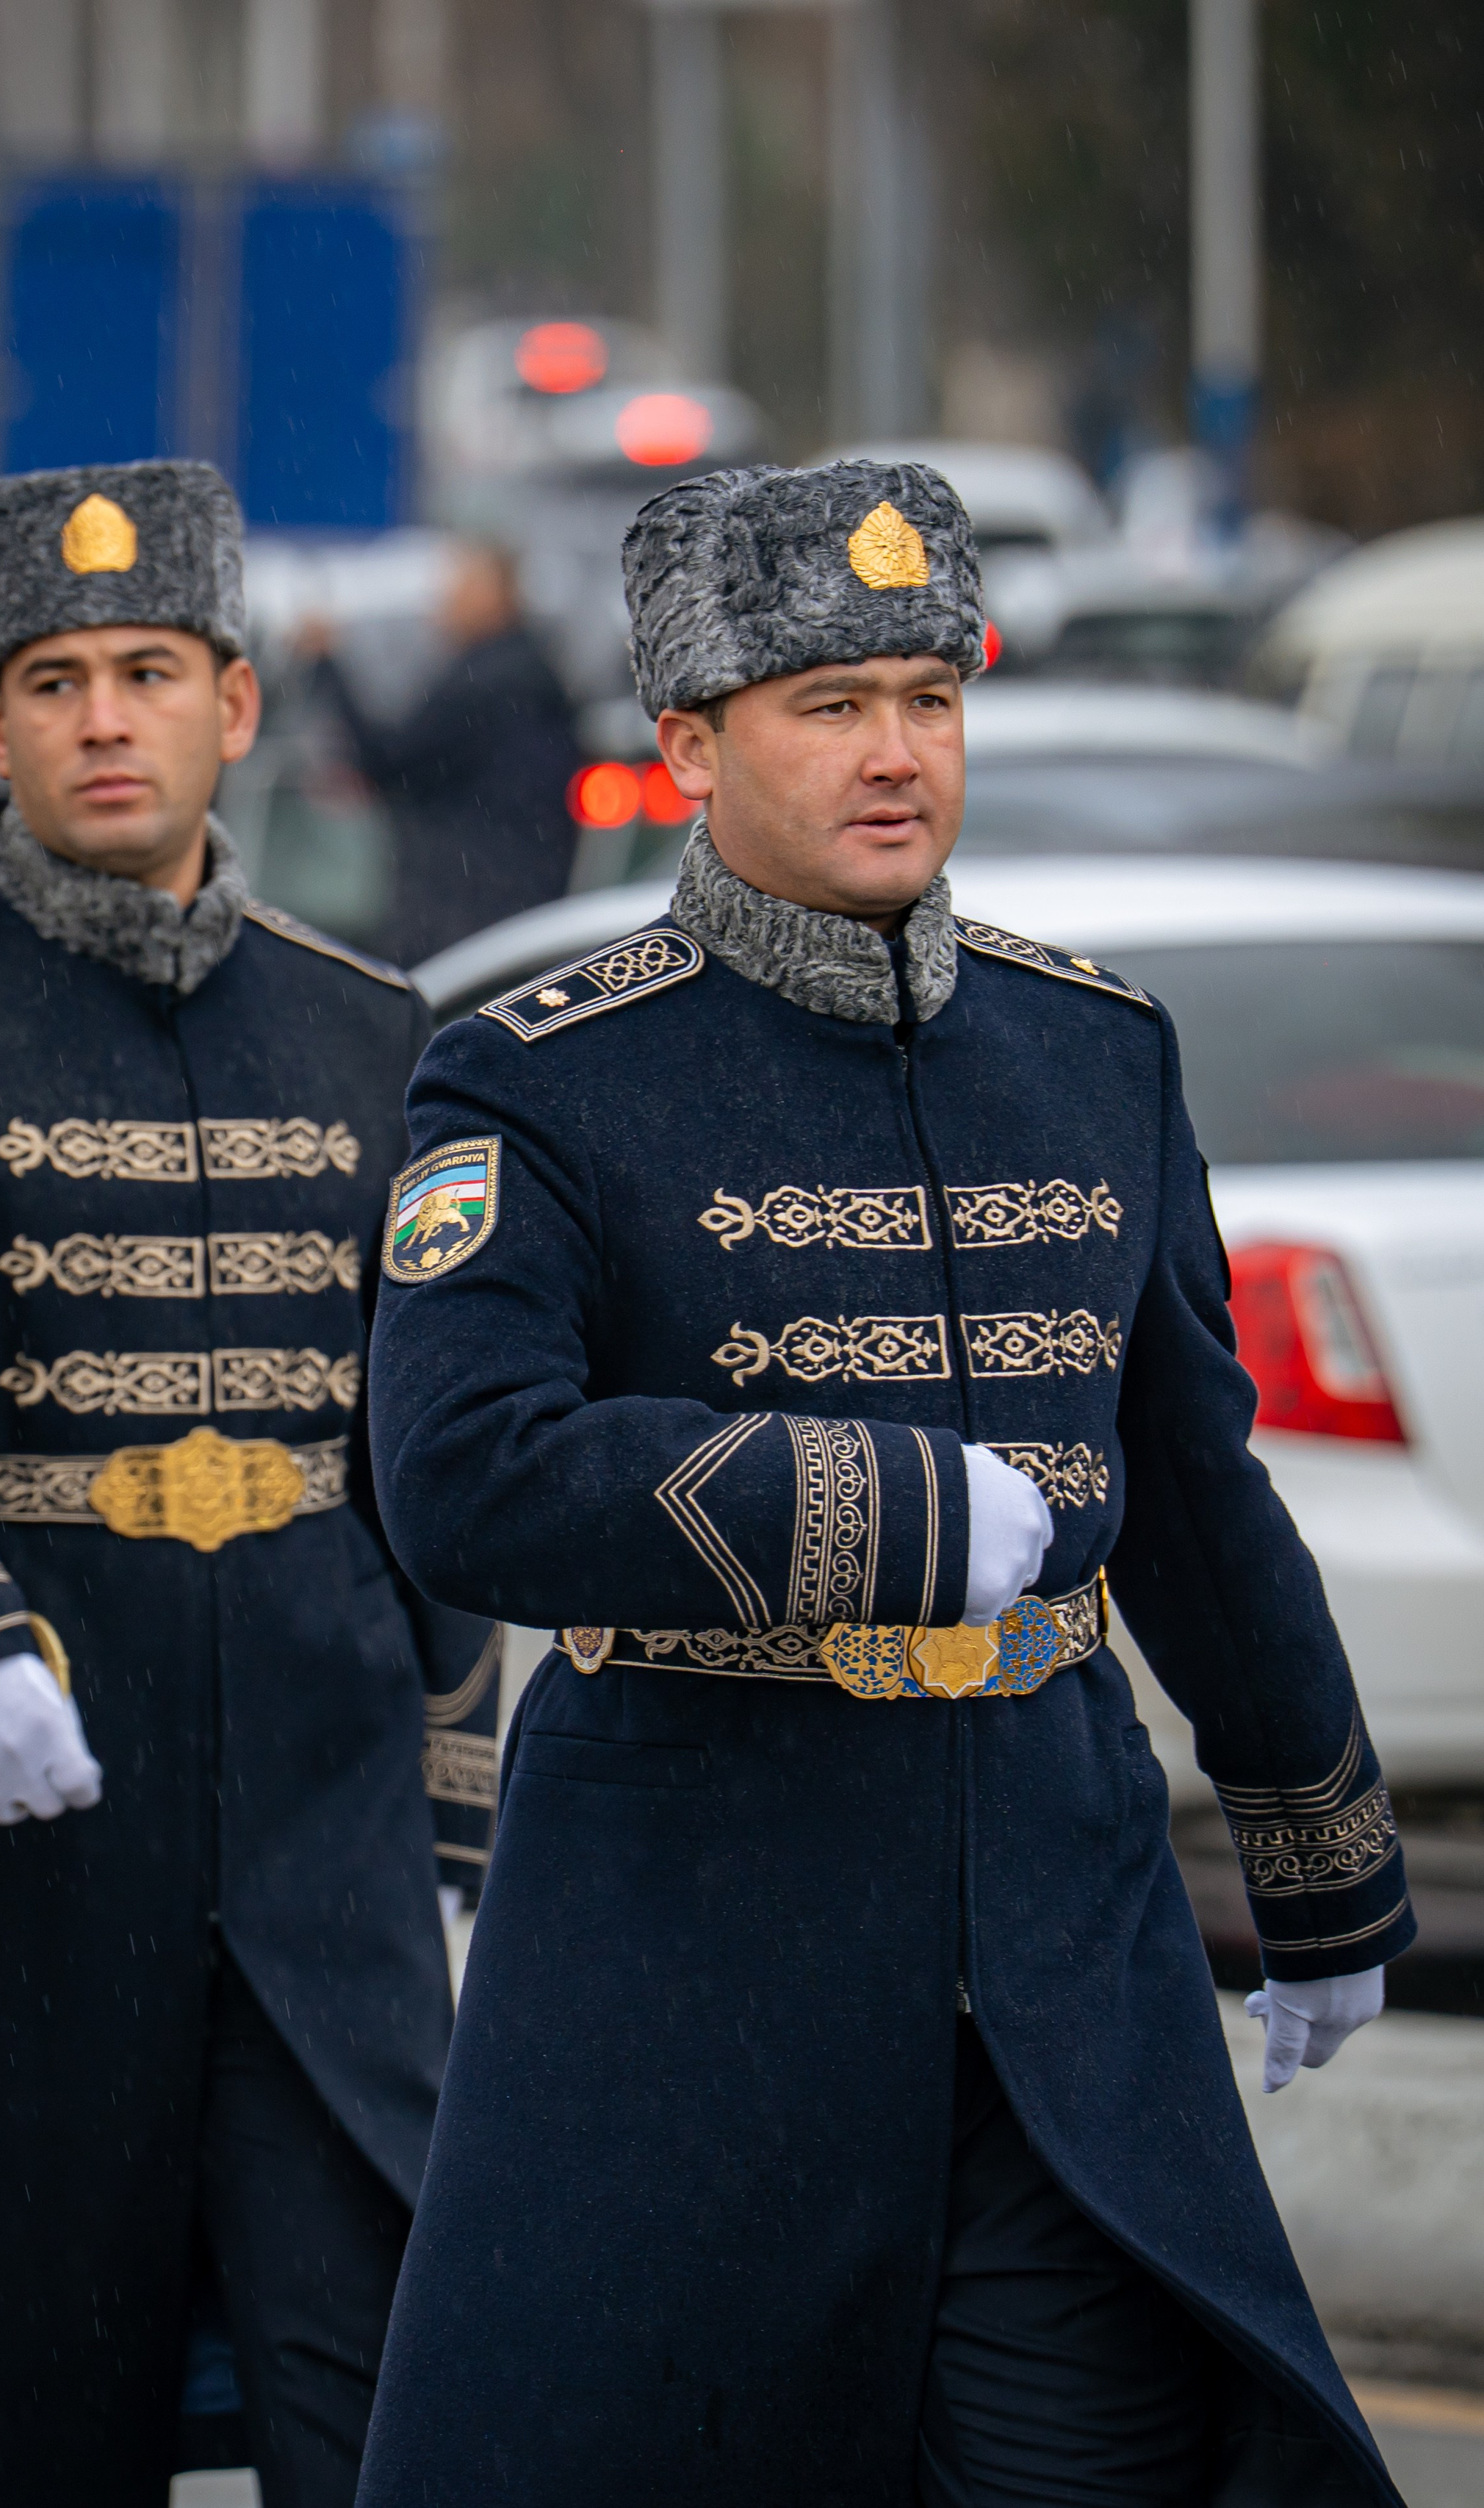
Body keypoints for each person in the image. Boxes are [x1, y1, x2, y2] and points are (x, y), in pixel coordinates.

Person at [356, 458, 1414, 2507]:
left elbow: (1193, 1489)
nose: (896, 752)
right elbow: (464, 1473)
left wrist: (1321, 1848)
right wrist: (894, 1512)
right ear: (688, 740)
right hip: (690, 1976)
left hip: (1054, 1971)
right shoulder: (541, 1073)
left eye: (931, 695)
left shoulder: (1093, 1045)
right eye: (830, 702)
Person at [0, 459, 497, 2508]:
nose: (106, 716)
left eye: (150, 670)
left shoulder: (372, 1026)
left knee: (395, 2403)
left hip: (322, 1864)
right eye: (55, 678)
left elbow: (428, 1439)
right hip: (13, 1845)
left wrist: (461, 1793)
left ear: (237, 699)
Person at [306, 538, 582, 965]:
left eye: (458, 586)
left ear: (497, 595)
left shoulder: (486, 681)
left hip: (460, 917)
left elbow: (388, 761)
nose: (444, 600)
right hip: (511, 911)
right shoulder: (527, 670)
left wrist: (326, 664)